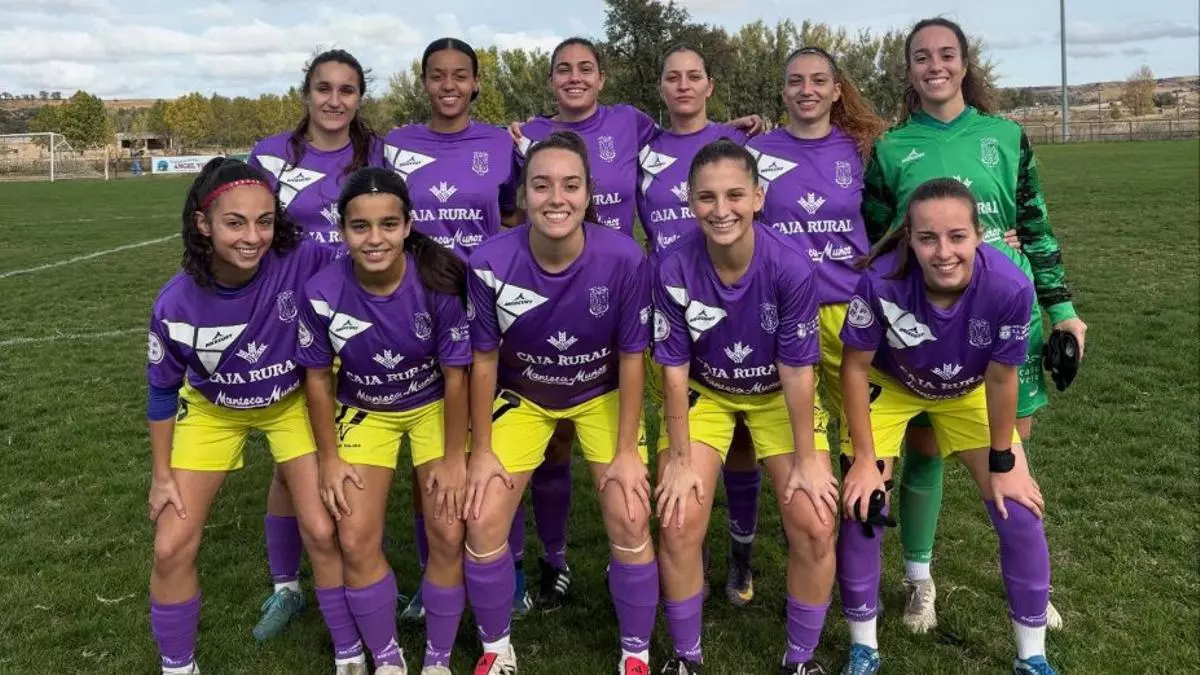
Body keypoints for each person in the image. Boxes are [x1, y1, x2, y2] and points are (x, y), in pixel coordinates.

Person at [862, 17, 1085, 634]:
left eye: (946, 54)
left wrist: (1062, 309)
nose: (935, 66)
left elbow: (1035, 224)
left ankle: (1030, 581)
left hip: (1005, 312)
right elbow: (877, 238)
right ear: (908, 70)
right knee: (924, 450)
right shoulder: (891, 148)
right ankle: (919, 579)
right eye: (922, 57)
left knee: (1010, 453)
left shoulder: (1006, 136)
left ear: (965, 63)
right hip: (926, 323)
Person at [146, 158, 357, 674]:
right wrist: (161, 475)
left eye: (264, 221)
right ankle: (178, 667)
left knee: (323, 530)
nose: (253, 237)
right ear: (203, 224)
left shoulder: (300, 259)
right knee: (171, 545)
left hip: (291, 405)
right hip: (212, 413)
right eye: (235, 222)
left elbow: (368, 252)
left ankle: (349, 654)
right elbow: (161, 391)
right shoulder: (175, 303)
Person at [839, 177, 1057, 675]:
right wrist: (866, 462)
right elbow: (853, 369)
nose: (943, 252)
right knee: (864, 506)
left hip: (968, 390)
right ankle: (863, 648)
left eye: (957, 236)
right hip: (890, 384)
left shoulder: (1010, 285)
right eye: (927, 238)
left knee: (1019, 509)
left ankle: (1032, 657)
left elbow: (1002, 378)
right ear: (909, 239)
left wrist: (1003, 460)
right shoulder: (880, 281)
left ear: (979, 234)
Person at [463, 131, 656, 675]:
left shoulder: (624, 257)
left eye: (570, 185)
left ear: (588, 193)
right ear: (522, 194)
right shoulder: (488, 260)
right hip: (523, 394)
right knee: (481, 518)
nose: (556, 198)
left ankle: (636, 654)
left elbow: (632, 357)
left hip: (599, 392)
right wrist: (481, 450)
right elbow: (483, 360)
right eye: (541, 185)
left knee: (630, 514)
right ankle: (496, 649)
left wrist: (627, 452)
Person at [653, 139, 838, 675]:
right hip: (706, 391)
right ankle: (686, 658)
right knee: (678, 519)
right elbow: (673, 371)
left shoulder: (790, 266)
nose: (721, 209)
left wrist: (808, 460)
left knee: (815, 521)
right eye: (707, 197)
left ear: (758, 198)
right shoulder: (672, 265)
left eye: (735, 195)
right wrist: (679, 460)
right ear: (690, 201)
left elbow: (797, 371)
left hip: (777, 393)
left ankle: (800, 659)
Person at [297, 167, 472, 675]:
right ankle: (388, 657)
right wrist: (329, 459)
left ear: (408, 225)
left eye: (388, 224)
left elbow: (456, 378)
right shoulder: (321, 290)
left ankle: (437, 659)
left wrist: (454, 458)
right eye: (360, 226)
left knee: (447, 531)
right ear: (342, 231)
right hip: (366, 410)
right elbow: (317, 380)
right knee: (353, 537)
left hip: (432, 404)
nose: (375, 238)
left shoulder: (438, 283)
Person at [382, 37, 532, 622]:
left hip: (488, 303)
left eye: (460, 75)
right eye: (438, 75)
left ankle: (511, 566)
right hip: (418, 307)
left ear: (475, 83)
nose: (449, 85)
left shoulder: (499, 143)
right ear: (424, 82)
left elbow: (514, 214)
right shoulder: (396, 145)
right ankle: (433, 572)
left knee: (499, 439)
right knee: (433, 443)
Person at [246, 49, 385, 641]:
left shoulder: (378, 156)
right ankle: (287, 588)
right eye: (324, 88)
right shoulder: (269, 156)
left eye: (347, 90)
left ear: (359, 98)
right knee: (293, 461)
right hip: (293, 319)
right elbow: (247, 235)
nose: (334, 100)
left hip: (365, 317)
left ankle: (365, 565)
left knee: (362, 451)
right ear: (306, 92)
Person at [744, 46, 886, 616]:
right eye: (796, 81)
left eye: (819, 80)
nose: (807, 89)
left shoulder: (862, 151)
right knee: (795, 436)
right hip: (780, 314)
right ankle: (801, 537)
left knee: (863, 442)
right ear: (782, 91)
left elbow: (899, 219)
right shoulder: (757, 151)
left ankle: (858, 567)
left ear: (836, 90)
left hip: (850, 312)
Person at [636, 44, 761, 607]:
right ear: (660, 88)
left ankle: (742, 551)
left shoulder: (739, 145)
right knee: (682, 423)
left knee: (742, 436)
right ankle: (694, 546)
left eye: (694, 77)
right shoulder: (643, 150)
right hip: (669, 307)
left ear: (710, 85)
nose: (683, 85)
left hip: (737, 305)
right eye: (672, 77)